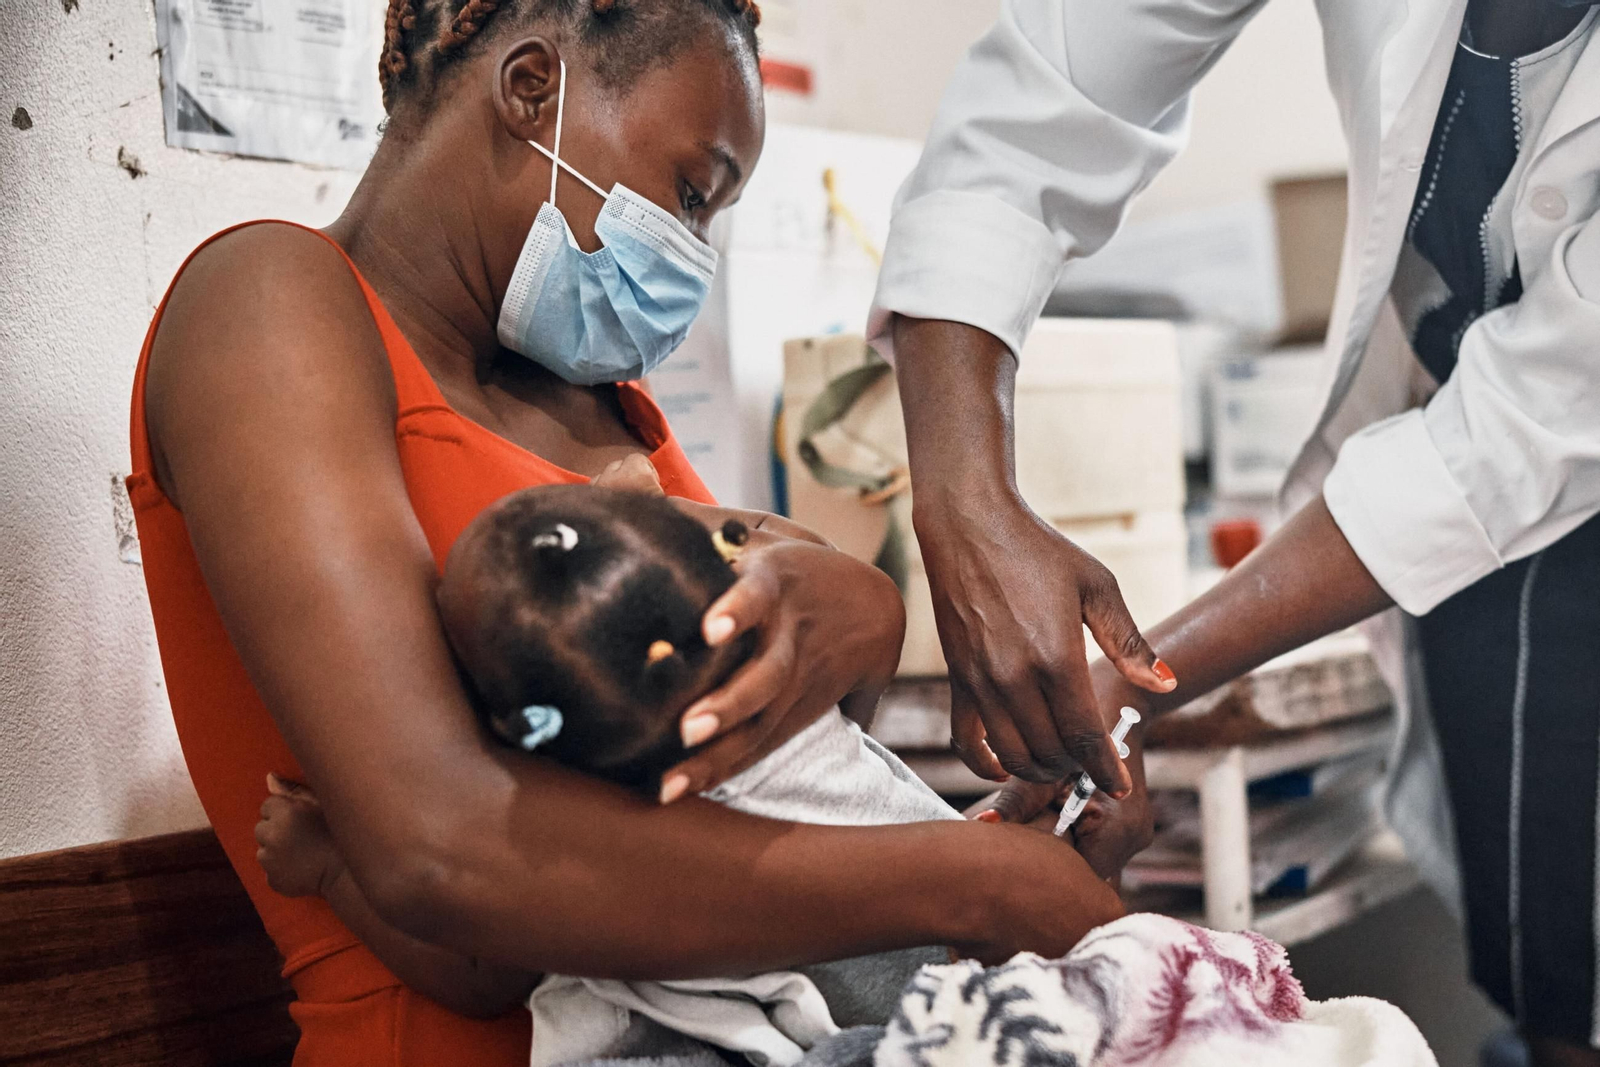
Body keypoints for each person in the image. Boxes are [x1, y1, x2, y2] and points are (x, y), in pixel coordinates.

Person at [127, 1, 1117, 1063]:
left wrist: (864, 613)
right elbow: (442, 844)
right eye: (692, 193)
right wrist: (973, 880)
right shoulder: (270, 305)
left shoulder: (601, 406)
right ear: (530, 89)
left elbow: (777, 735)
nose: (691, 251)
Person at [869, 0, 1600, 1062]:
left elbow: (1513, 437)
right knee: (1551, 968)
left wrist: (1140, 680)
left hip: (1532, 448)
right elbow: (1043, 103)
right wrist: (963, 499)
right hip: (1488, 490)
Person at [254, 480, 989, 1066]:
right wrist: (668, 512)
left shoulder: (589, 838)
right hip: (973, 976)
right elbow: (787, 545)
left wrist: (328, 866)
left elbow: (478, 977)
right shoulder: (793, 694)